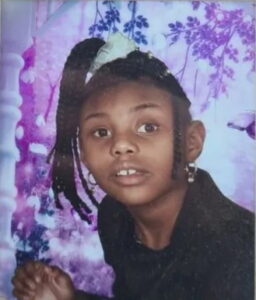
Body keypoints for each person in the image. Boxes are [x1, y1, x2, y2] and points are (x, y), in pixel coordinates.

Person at [12, 33, 254, 300]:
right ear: (83, 152)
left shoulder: (238, 250)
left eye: (148, 127)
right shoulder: (116, 218)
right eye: (101, 132)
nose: (121, 144)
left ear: (191, 142)